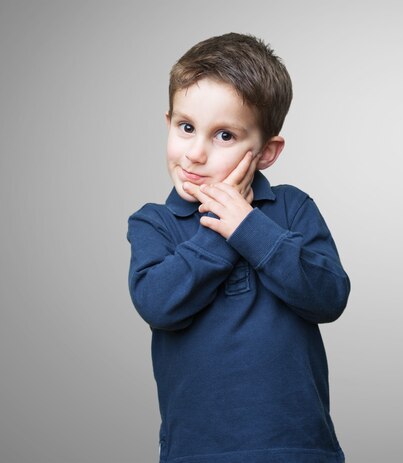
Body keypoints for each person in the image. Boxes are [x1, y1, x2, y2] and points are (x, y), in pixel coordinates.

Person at [127, 32, 351, 463]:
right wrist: (220, 229)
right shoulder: (154, 222)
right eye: (186, 127)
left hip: (300, 447)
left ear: (266, 152)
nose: (195, 153)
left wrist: (249, 226)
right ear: (168, 122)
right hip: (197, 451)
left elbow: (329, 298)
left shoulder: (291, 208)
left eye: (224, 136)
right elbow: (158, 304)